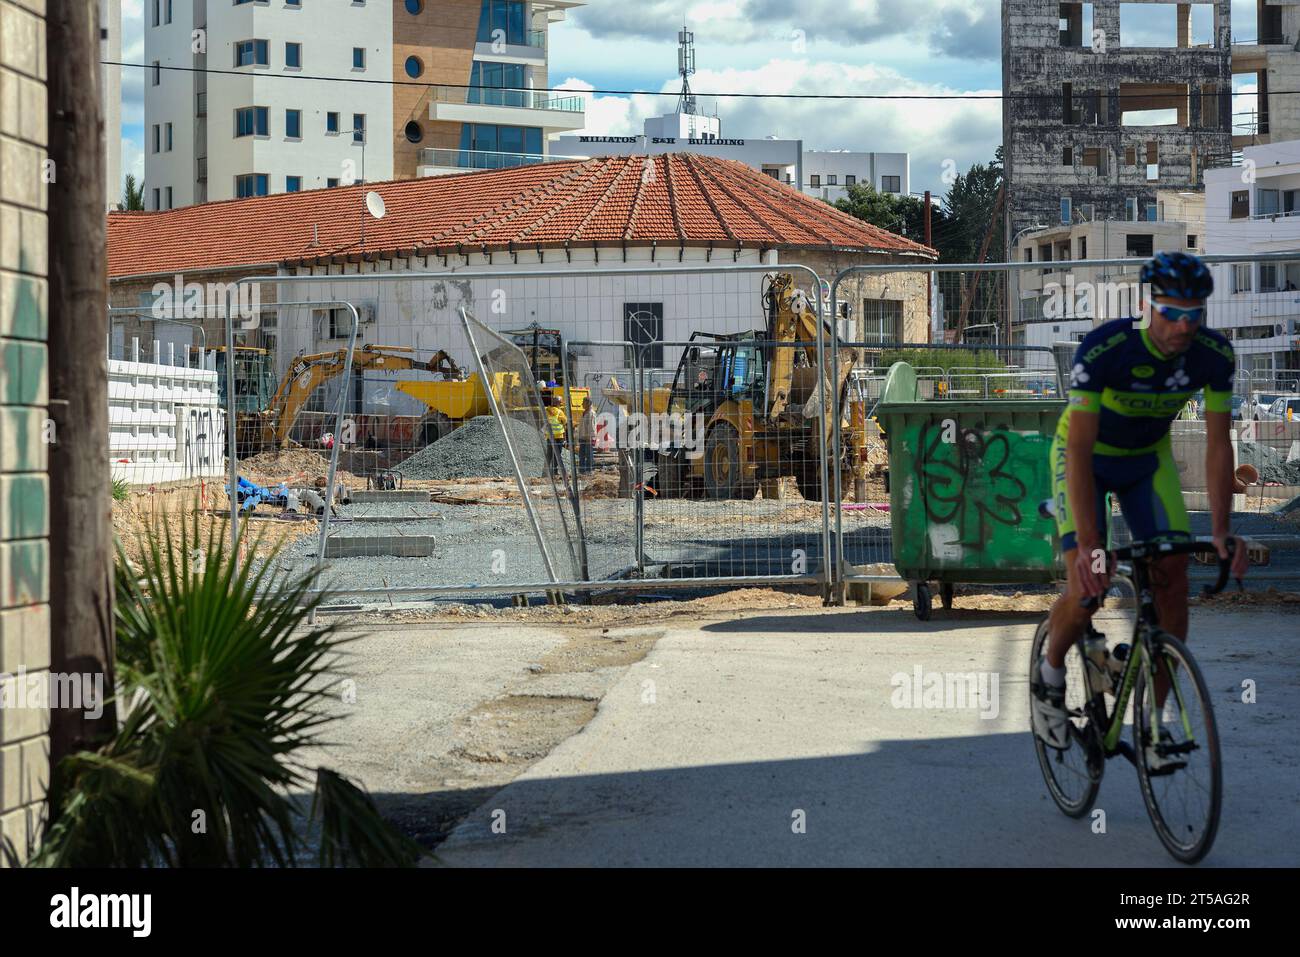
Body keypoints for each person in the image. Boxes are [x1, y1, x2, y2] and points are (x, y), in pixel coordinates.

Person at [1032, 252, 1250, 766]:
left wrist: (1222, 532)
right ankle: (1051, 673)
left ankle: (1152, 725)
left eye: (1194, 315)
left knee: (1173, 578)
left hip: (1147, 463)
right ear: (1146, 305)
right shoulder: (1106, 349)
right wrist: (1088, 547)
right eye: (1171, 313)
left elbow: (1220, 446)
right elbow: (1080, 451)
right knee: (1089, 586)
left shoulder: (1214, 356)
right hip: (1084, 459)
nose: (1182, 326)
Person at [544, 394, 567, 468]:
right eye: (560, 403)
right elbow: (565, 421)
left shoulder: (547, 411)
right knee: (557, 455)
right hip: (558, 437)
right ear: (558, 403)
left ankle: (545, 472)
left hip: (549, 436)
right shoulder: (559, 412)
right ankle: (555, 471)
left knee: (549, 454)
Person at [577, 396, 596, 474]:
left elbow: (592, 426)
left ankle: (589, 470)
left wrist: (590, 437)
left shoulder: (591, 413)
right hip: (582, 436)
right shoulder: (585, 412)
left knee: (589, 454)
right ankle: (582, 470)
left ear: (588, 403)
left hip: (588, 437)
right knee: (581, 454)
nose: (582, 404)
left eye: (583, 402)